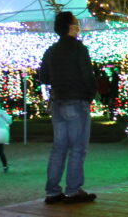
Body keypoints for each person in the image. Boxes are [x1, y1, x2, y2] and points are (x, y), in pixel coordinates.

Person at [40, 10, 98, 204]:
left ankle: (52, 191)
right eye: (76, 23)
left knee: (59, 148)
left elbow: (43, 77)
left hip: (58, 101)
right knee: (78, 148)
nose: (78, 26)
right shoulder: (79, 49)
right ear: (71, 27)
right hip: (76, 100)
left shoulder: (51, 50)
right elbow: (87, 75)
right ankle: (73, 190)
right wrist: (90, 94)